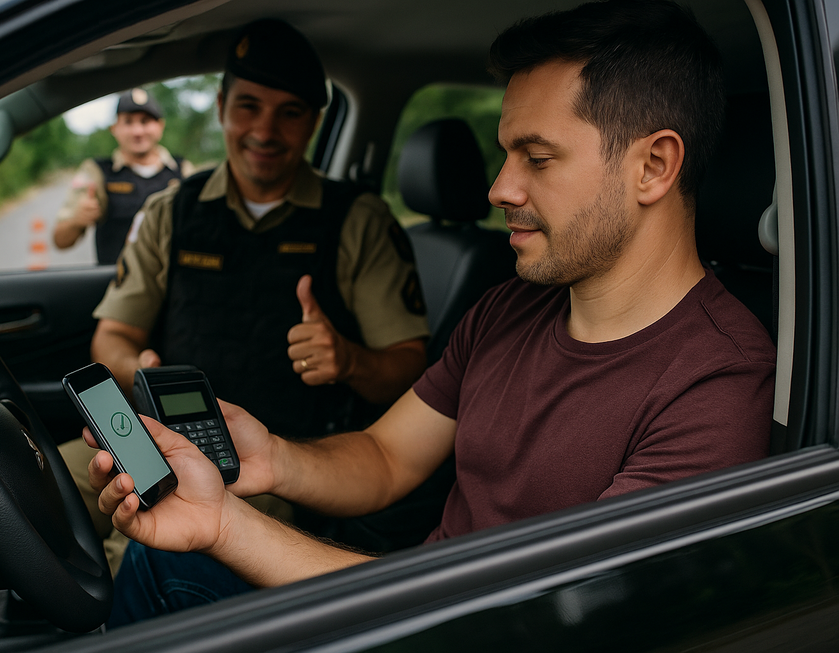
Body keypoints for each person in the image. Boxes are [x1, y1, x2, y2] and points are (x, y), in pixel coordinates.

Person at [90, 0, 776, 626]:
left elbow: (532, 623)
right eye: (506, 154)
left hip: (466, 631)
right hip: (419, 599)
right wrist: (272, 458)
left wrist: (225, 525)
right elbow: (386, 457)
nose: (499, 188)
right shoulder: (510, 307)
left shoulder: (715, 384)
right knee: (157, 563)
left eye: (537, 158)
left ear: (653, 166)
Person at [60, 17, 431, 574]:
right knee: (26, 482)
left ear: (314, 122)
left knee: (144, 553)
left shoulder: (358, 220)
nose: (265, 130)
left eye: (290, 112)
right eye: (249, 106)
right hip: (160, 434)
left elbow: (410, 368)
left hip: (273, 460)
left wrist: (350, 360)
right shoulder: (171, 210)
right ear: (221, 107)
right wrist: (141, 370)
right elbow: (112, 334)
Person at [52, 87, 195, 264]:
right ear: (114, 128)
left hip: (169, 277)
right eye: (128, 122)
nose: (137, 131)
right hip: (115, 277)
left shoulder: (183, 171)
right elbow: (60, 241)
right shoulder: (97, 172)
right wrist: (77, 220)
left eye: (145, 121)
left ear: (160, 126)